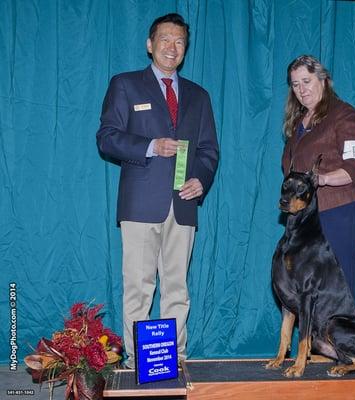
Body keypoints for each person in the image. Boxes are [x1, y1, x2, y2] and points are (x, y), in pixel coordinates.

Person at [96, 13, 219, 368]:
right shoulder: (125, 84)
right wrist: (151, 146)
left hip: (183, 205)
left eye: (179, 41)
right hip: (140, 204)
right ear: (150, 45)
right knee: (139, 287)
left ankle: (173, 359)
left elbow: (209, 150)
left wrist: (201, 179)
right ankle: (138, 361)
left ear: (185, 49)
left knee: (177, 288)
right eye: (165, 39)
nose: (172, 47)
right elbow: (107, 137)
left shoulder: (199, 96)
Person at [281, 55, 355, 299]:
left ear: (324, 80)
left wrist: (323, 179)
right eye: (295, 84)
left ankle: (340, 338)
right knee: (306, 287)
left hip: (339, 211)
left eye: (306, 81)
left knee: (336, 284)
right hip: (306, 216)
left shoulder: (345, 115)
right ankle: (314, 338)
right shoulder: (298, 122)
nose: (301, 89)